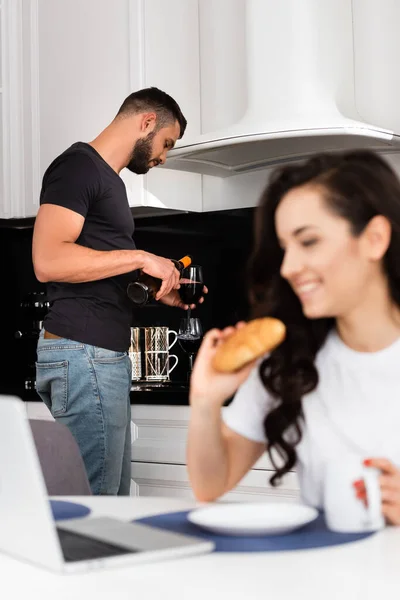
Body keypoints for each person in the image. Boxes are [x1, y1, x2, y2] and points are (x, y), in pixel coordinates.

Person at [187, 149, 400, 525]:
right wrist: (205, 400)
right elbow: (211, 484)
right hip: (319, 578)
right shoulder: (290, 360)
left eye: (309, 241)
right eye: (285, 248)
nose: (288, 267)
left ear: (375, 238)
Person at [32, 87, 206, 496]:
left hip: (96, 357)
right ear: (146, 122)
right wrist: (139, 257)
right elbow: (48, 261)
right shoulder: (78, 167)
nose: (163, 156)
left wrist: (157, 290)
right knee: (93, 509)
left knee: (109, 501)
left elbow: (92, 271)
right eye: (167, 143)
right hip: (84, 354)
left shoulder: (108, 181)